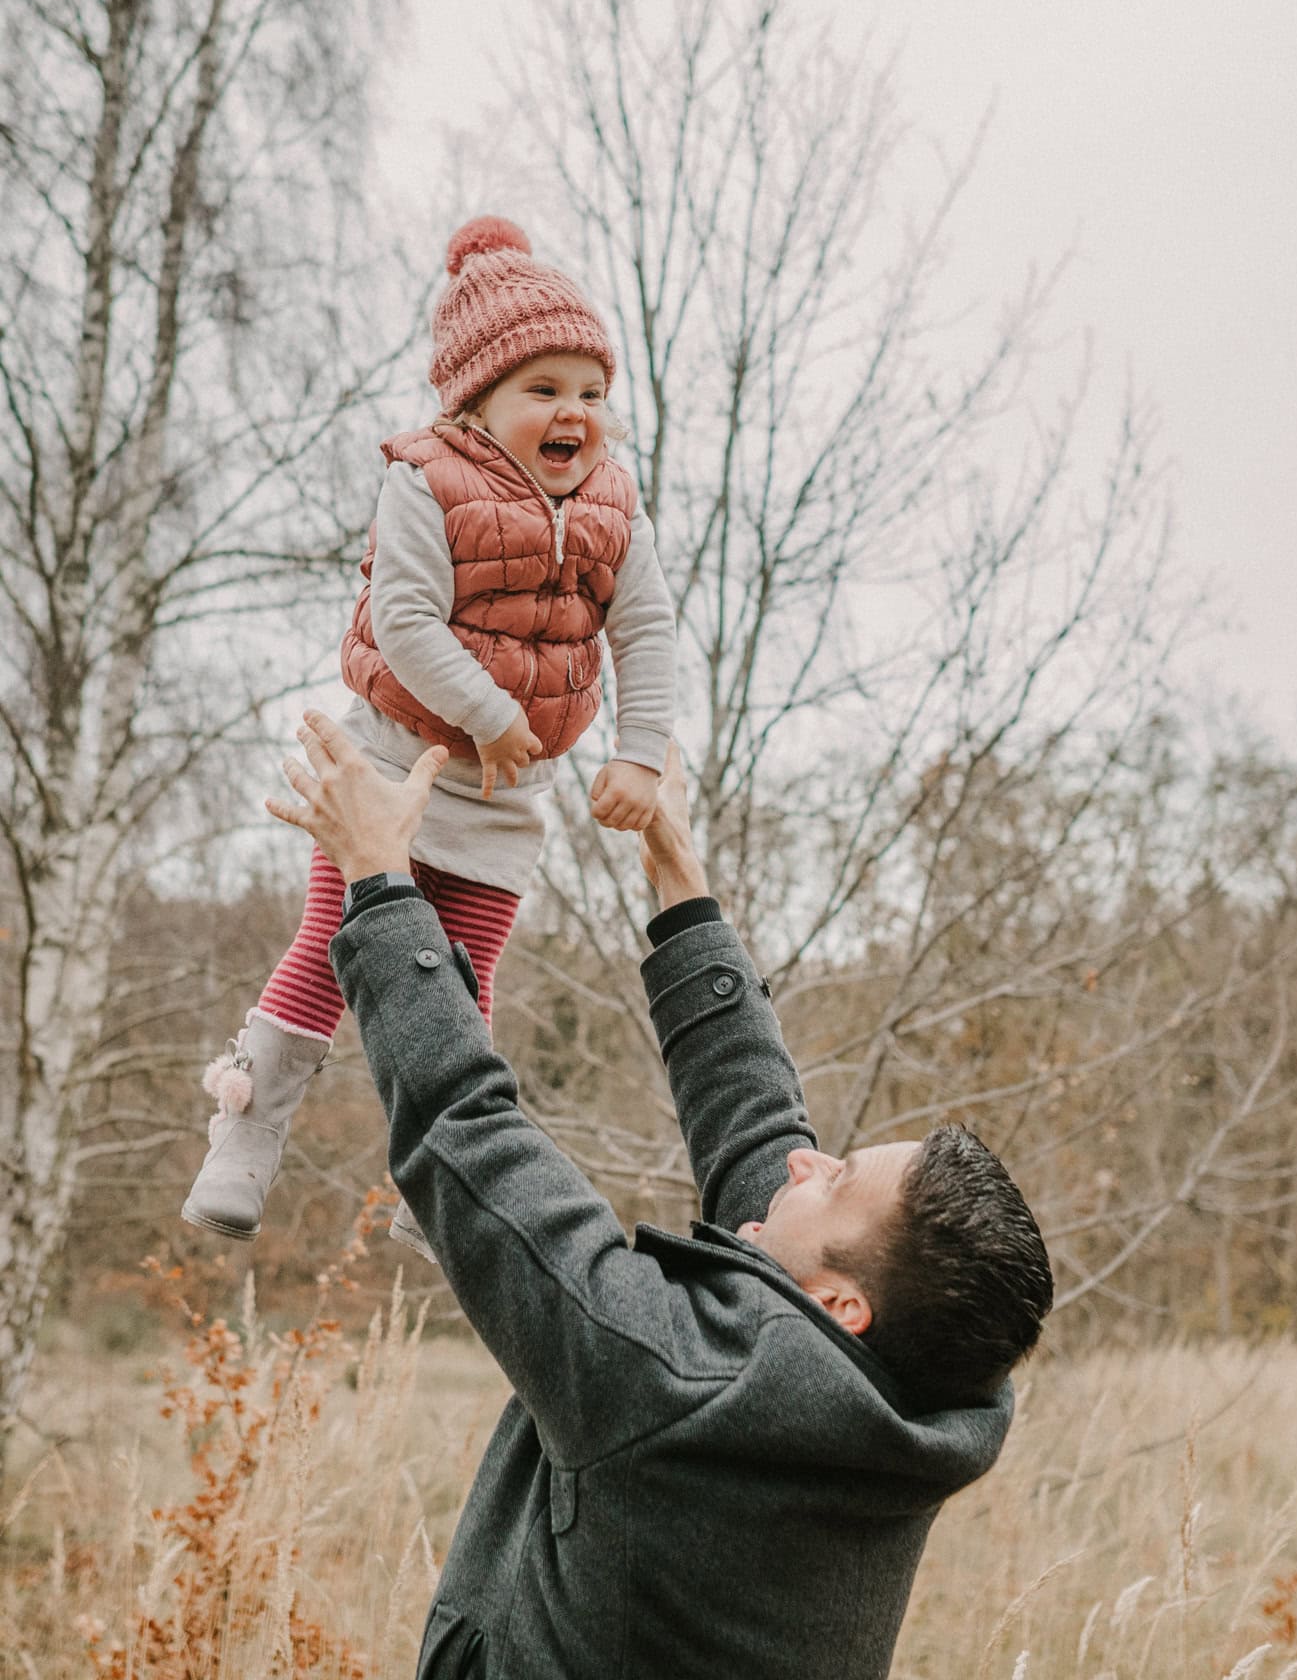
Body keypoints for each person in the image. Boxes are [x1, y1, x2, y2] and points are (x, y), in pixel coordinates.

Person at [268, 710, 1055, 1680]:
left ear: (840, 1305)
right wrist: (681, 881)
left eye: (838, 1179)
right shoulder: (914, 1395)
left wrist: (381, 885)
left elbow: (467, 1134)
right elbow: (758, 1128)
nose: (806, 1163)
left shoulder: (672, 1378)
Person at [182, 217, 675, 1254]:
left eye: (592, 392)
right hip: (394, 761)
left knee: (462, 979)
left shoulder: (614, 506)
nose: (574, 412)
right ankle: (246, 1132)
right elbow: (404, 620)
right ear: (476, 400)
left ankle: (448, 1167)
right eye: (544, 388)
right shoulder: (425, 478)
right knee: (333, 950)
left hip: (503, 791)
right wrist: (492, 716)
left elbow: (645, 629)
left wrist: (639, 752)